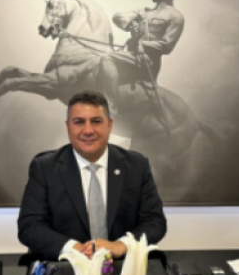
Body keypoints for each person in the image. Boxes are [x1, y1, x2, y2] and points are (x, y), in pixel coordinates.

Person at [18, 90, 167, 260]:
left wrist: (121, 246)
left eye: (96, 121)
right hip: (65, 267)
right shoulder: (45, 168)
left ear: (109, 125)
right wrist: (74, 249)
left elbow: (154, 222)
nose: (88, 130)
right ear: (68, 126)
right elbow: (30, 226)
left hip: (122, 268)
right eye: (79, 122)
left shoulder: (136, 166)